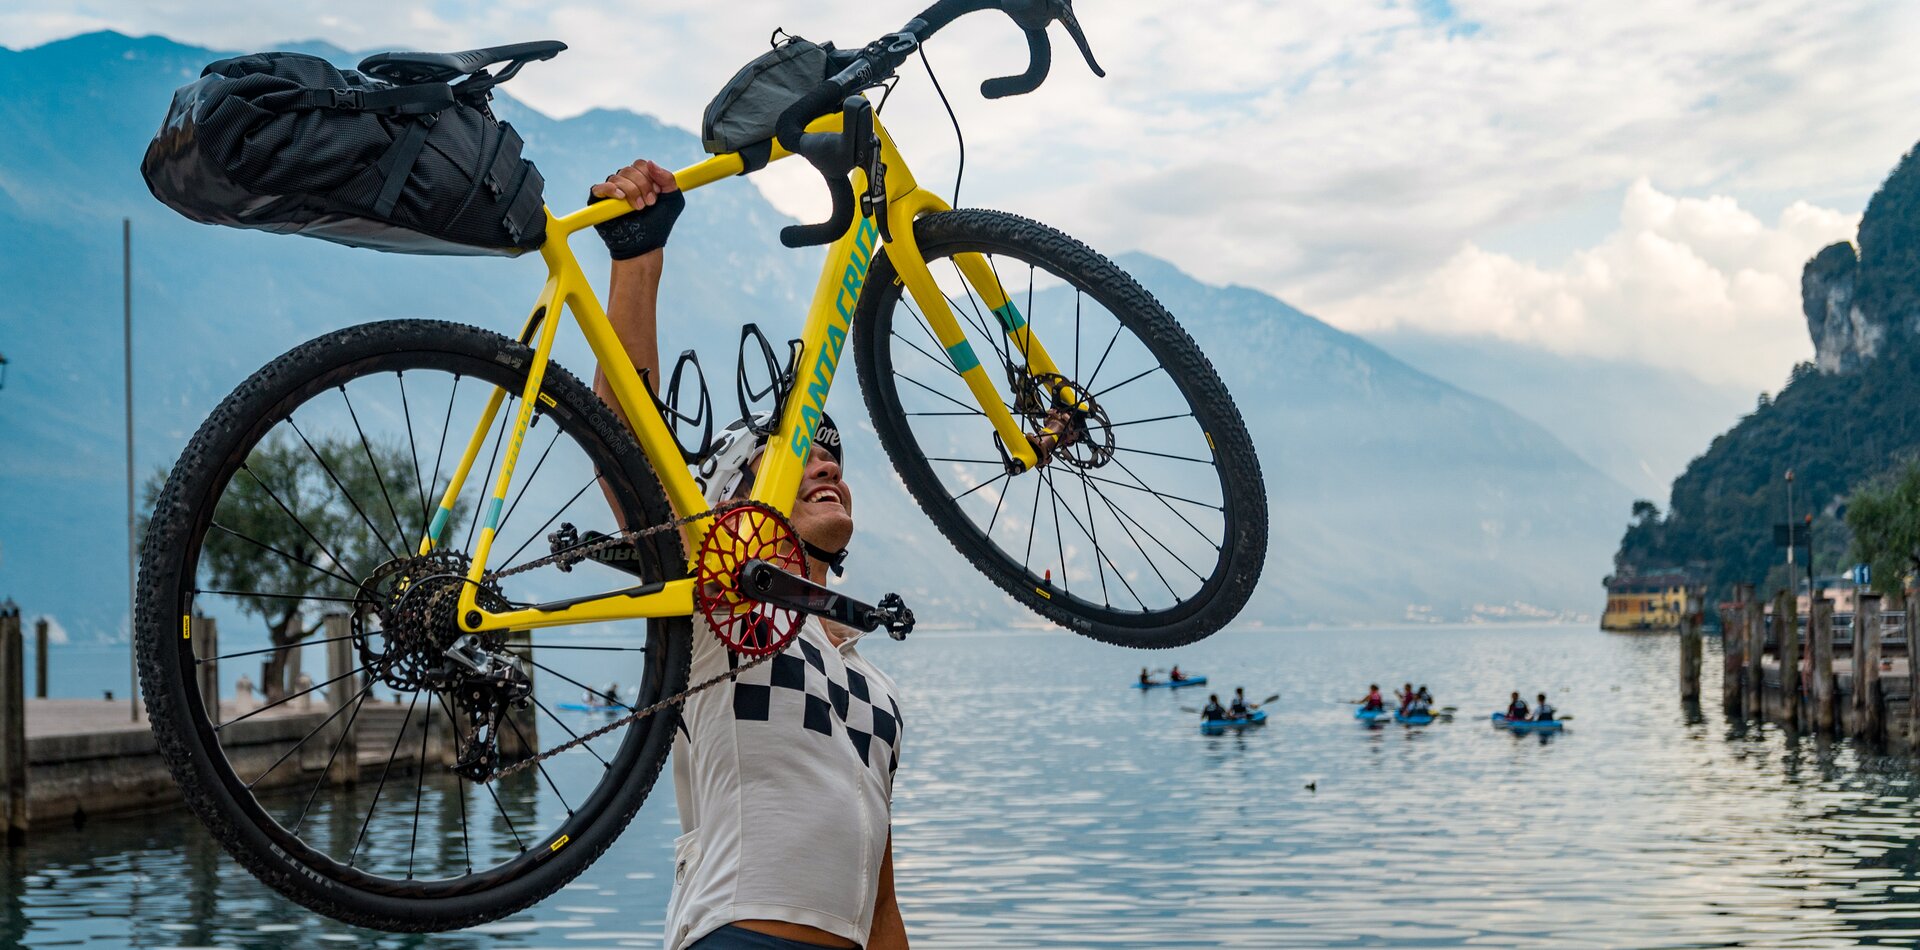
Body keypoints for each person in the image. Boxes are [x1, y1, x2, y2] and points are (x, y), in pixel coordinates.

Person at [591, 161, 907, 950]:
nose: (826, 464)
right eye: (796, 456)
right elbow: (628, 450)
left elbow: (881, 900)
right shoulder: (725, 607)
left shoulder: (875, 686)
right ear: (736, 507)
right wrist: (637, 259)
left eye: (832, 456)